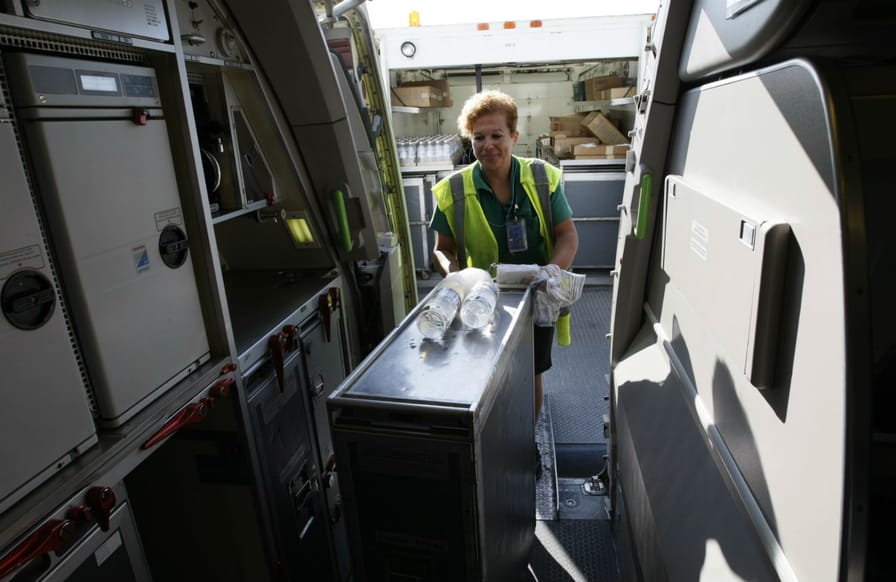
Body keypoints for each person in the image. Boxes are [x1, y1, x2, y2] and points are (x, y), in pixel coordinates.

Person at [428, 89, 579, 475]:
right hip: (483, 299)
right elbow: (441, 249)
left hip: (536, 295)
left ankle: (524, 445)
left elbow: (567, 236)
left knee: (531, 372)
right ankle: (490, 439)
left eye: (496, 135)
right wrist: (457, 276)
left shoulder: (542, 178)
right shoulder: (454, 189)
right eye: (478, 137)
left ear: (514, 135)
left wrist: (551, 273)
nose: (487, 145)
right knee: (485, 371)